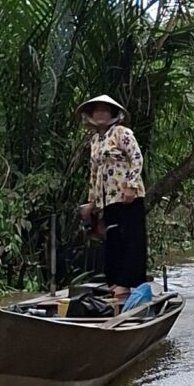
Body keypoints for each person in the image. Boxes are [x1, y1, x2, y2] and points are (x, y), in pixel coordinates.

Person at [78, 93, 149, 312]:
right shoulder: (95, 141)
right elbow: (94, 173)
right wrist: (91, 202)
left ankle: (127, 283)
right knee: (113, 240)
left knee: (131, 239)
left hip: (127, 196)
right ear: (91, 115)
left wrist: (131, 185)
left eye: (105, 110)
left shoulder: (121, 132)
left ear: (112, 114)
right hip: (107, 199)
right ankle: (115, 282)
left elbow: (136, 158)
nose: (100, 114)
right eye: (97, 110)